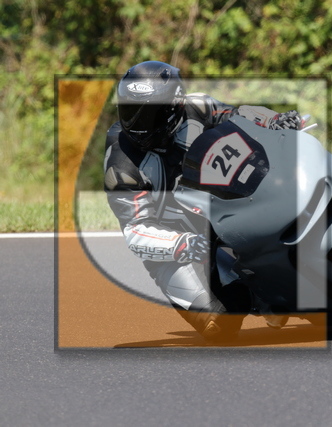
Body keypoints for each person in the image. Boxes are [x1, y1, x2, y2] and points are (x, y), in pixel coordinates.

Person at [103, 61, 303, 341]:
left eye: (148, 113)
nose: (136, 123)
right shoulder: (120, 166)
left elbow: (240, 115)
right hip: (176, 242)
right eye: (129, 110)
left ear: (173, 107)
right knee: (220, 326)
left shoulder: (197, 107)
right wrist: (182, 244)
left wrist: (274, 119)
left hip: (221, 206)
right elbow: (135, 232)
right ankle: (263, 299)